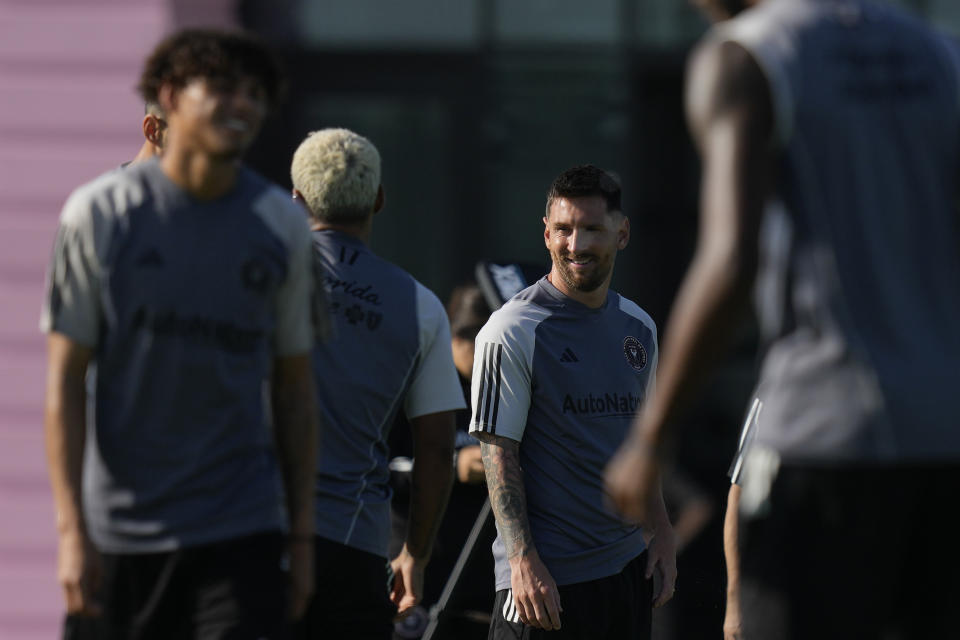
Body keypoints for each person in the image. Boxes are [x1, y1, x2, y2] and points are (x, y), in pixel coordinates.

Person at [605, 1, 960, 637]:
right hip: (943, 443)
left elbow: (730, 262)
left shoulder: (747, 57)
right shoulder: (936, 53)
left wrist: (650, 438)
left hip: (826, 440)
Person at [41, 28, 318, 639]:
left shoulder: (281, 228)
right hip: (119, 537)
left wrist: (300, 537)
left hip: (240, 531)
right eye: (221, 88)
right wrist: (70, 534)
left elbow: (295, 391)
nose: (241, 104)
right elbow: (63, 381)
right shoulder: (101, 214)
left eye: (253, 93)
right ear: (169, 97)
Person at [469, 164, 677, 639]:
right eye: (563, 229)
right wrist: (522, 560)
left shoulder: (639, 327)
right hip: (543, 587)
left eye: (592, 230)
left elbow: (642, 441)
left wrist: (662, 528)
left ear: (621, 234)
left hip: (626, 573)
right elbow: (498, 454)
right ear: (546, 234)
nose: (576, 245)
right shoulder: (511, 330)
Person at [289, 128, 462, 639]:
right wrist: (416, 554)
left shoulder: (256, 278)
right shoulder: (421, 306)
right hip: (356, 549)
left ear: (296, 199)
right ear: (379, 200)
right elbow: (436, 449)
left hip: (254, 535)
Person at [388, 282, 496, 639]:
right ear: (457, 337)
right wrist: (453, 467)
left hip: (482, 573)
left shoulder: (500, 391)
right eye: (479, 346)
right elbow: (383, 469)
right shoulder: (414, 382)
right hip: (419, 565)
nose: (487, 361)